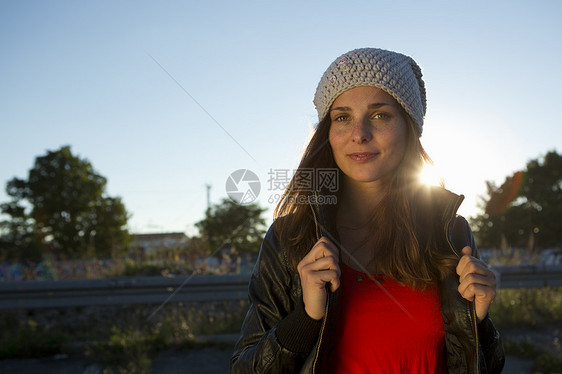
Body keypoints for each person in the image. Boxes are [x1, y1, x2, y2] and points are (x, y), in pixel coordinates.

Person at [231, 48, 505, 373]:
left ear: (409, 128)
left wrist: (480, 321)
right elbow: (245, 368)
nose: (359, 134)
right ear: (327, 135)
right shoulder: (290, 238)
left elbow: (488, 364)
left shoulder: (450, 232)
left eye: (380, 115)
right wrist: (306, 317)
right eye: (342, 117)